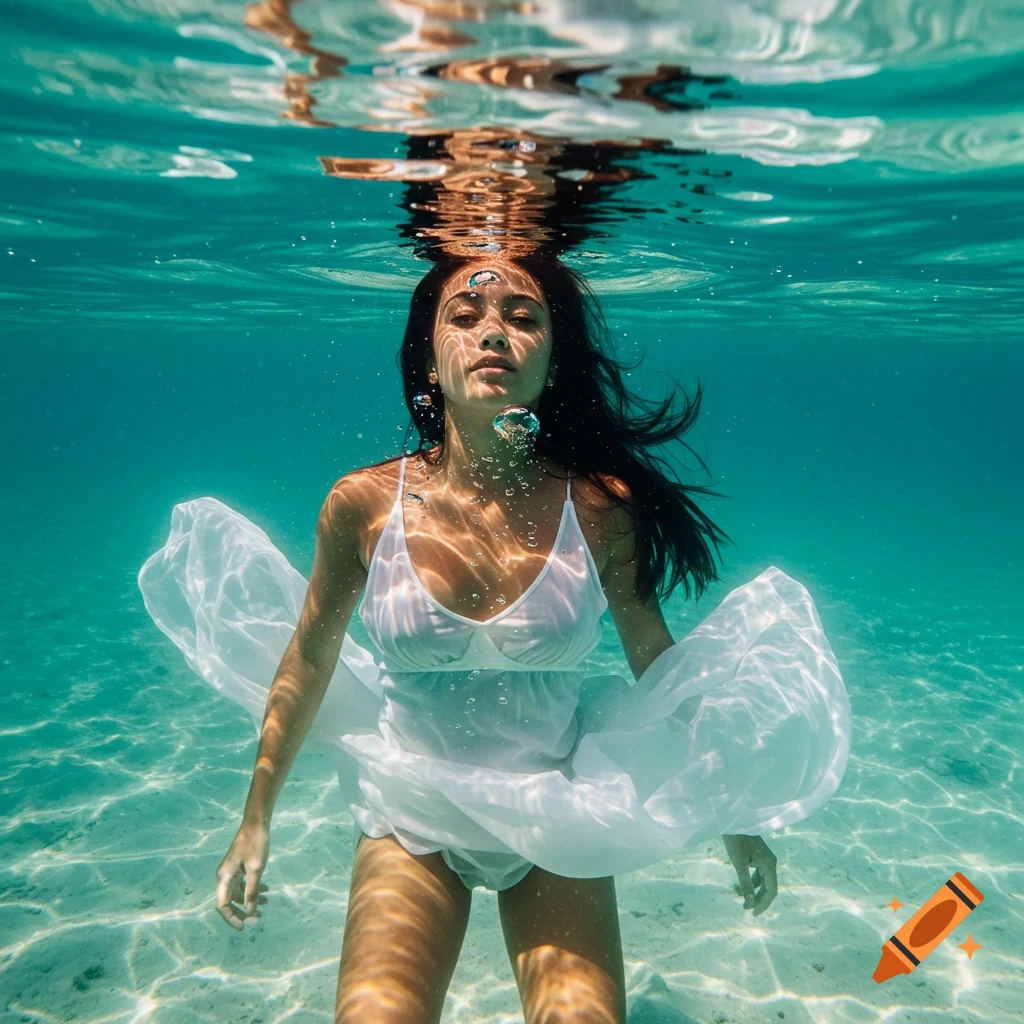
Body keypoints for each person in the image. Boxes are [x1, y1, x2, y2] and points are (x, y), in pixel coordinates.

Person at [139, 255, 851, 1024]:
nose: (493, 333)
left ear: (553, 355)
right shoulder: (364, 503)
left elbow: (658, 663)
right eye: (466, 315)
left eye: (523, 316)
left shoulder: (601, 507)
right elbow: (308, 657)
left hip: (555, 807)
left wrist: (732, 818)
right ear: (428, 355)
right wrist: (256, 817)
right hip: (412, 807)